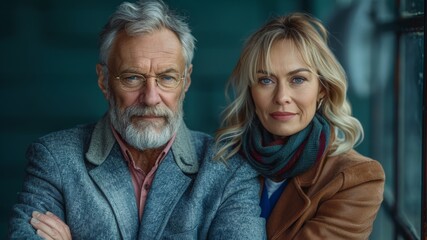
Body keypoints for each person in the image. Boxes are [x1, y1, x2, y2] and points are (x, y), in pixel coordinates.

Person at [8, 0, 266, 239]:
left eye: (167, 78)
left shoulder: (229, 170)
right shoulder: (54, 159)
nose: (151, 97)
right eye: (132, 77)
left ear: (185, 81)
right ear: (104, 80)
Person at [214, 13, 385, 240]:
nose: (282, 97)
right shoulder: (223, 159)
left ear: (322, 89)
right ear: (251, 92)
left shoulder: (356, 178)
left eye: (298, 79)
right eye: (266, 80)